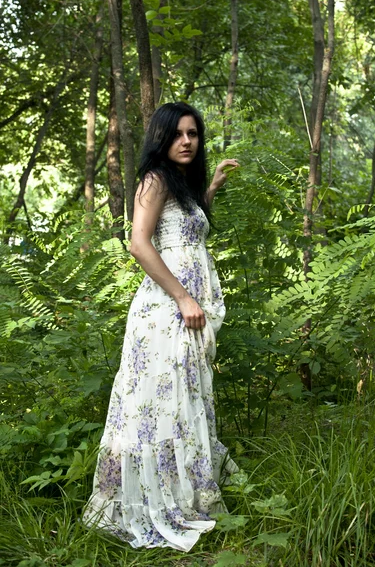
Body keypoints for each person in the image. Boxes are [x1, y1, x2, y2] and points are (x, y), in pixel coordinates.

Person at [83, 102, 239, 552]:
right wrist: (184, 297)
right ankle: (155, 499)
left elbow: (183, 234)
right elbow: (139, 243)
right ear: (161, 138)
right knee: (158, 404)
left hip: (184, 310)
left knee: (182, 399)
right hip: (165, 310)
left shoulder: (181, 186)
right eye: (178, 134)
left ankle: (186, 492)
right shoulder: (153, 180)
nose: (187, 141)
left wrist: (209, 190)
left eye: (193, 134)